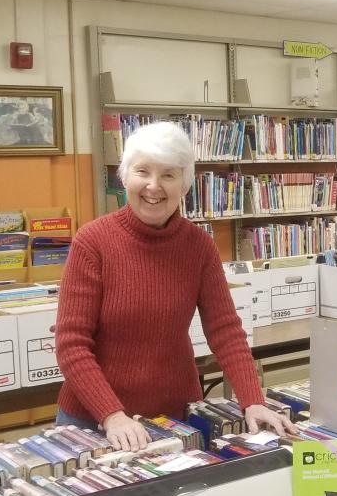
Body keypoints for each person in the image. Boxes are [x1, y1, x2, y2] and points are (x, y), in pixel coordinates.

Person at [54, 121, 295, 451]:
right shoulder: (92, 242)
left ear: (185, 184)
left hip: (176, 419)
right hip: (94, 421)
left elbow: (225, 330)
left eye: (168, 175)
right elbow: (71, 344)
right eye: (143, 172)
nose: (154, 186)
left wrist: (252, 399)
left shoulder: (198, 246)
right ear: (125, 177)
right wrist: (112, 415)